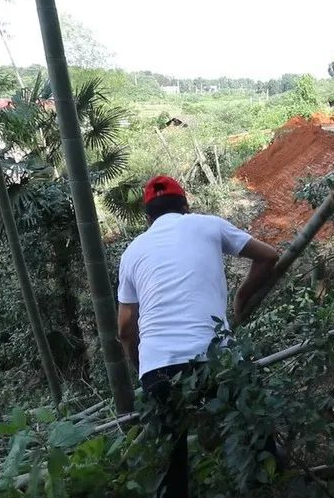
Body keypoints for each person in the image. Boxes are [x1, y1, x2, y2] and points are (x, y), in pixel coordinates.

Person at [117, 175, 280, 498]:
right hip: (215, 357)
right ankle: (268, 480)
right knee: (256, 434)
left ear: (148, 218)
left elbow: (124, 327)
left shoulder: (132, 252)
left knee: (172, 465)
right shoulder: (208, 225)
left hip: (158, 369)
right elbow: (269, 255)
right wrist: (241, 296)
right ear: (186, 206)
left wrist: (142, 367)